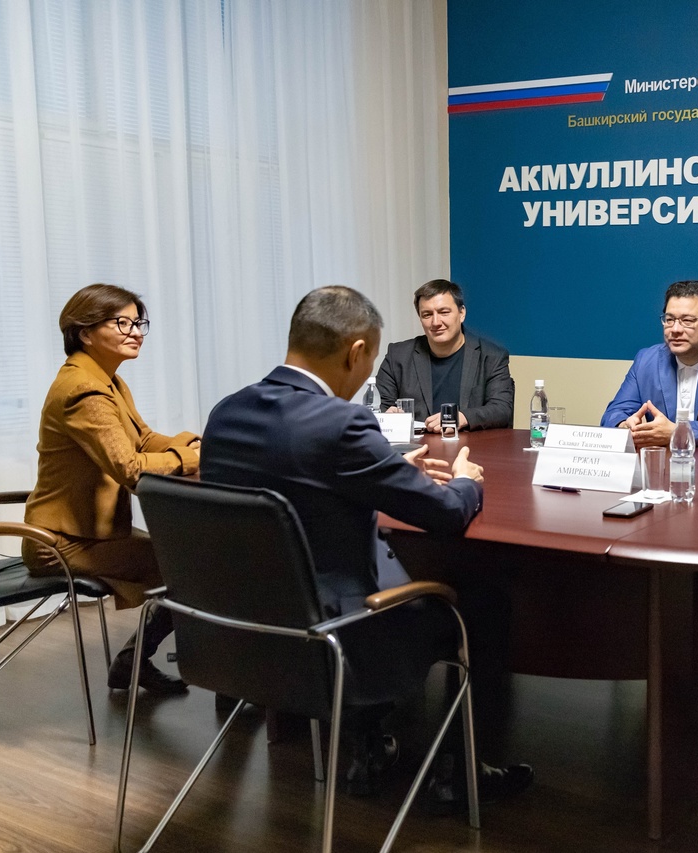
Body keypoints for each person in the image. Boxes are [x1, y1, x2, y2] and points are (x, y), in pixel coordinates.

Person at [200, 285, 531, 806]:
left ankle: (371, 744)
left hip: (240, 629)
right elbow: (445, 514)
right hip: (335, 635)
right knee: (483, 603)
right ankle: (460, 774)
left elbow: (304, 482)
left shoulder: (227, 413)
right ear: (356, 352)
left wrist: (388, 468)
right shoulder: (342, 423)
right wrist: (467, 482)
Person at [23, 283, 199, 696]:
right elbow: (130, 468)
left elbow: (143, 439)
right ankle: (203, 671)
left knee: (192, 561)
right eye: (122, 323)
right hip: (60, 544)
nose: (135, 332)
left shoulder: (107, 382)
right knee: (192, 567)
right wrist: (188, 458)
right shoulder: (84, 391)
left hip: (91, 535)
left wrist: (193, 444)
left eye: (138, 323)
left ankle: (136, 663)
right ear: (85, 332)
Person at [601, 279, 698, 448]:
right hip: (661, 460)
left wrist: (679, 432)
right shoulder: (646, 360)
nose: (675, 329)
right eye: (669, 319)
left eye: (687, 321)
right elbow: (613, 414)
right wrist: (625, 426)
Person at [375, 279, 514, 432]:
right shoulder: (398, 355)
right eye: (427, 314)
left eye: (444, 312)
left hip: (470, 444)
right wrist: (387, 414)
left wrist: (462, 417)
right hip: (415, 444)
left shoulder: (492, 356)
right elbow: (380, 405)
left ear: (461, 313)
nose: (435, 322)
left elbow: (502, 409)